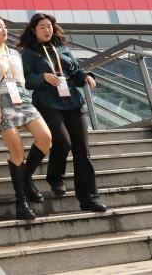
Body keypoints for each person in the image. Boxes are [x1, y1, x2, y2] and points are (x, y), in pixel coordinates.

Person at [20, 13, 107, 213]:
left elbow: (75, 72)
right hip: (47, 101)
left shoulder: (62, 48)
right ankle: (55, 177)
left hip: (72, 100)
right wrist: (43, 76)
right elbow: (26, 80)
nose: (47, 30)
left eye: (49, 26)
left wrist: (86, 76)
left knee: (82, 149)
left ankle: (89, 198)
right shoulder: (29, 53)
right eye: (42, 27)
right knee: (62, 142)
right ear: (33, 30)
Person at [0, 15, 53, 220]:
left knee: (45, 138)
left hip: (21, 98)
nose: (4, 30)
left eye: (4, 27)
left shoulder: (14, 54)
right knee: (17, 149)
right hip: (1, 100)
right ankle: (21, 201)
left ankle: (26, 178)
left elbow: (21, 81)